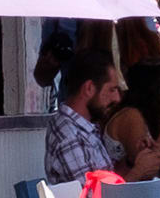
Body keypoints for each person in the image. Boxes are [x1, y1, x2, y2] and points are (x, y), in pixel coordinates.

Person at [44, 50, 124, 182]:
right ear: (89, 88)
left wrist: (133, 162)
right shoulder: (69, 136)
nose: (117, 98)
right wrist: (138, 171)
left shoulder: (83, 127)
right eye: (112, 89)